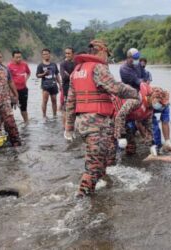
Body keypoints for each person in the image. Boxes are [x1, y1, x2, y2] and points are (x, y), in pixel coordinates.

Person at [65, 39, 140, 197]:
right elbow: (115, 87)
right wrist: (135, 93)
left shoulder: (76, 71)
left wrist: (69, 128)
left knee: (102, 161)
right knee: (94, 167)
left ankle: (101, 195)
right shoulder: (98, 67)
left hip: (85, 125)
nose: (107, 58)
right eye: (107, 54)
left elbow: (70, 102)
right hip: (97, 125)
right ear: (100, 51)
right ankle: (81, 200)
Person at [113, 83, 170, 156]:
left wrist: (151, 144)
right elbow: (120, 115)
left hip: (125, 121)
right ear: (154, 98)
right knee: (114, 146)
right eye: (160, 103)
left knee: (131, 147)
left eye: (163, 105)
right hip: (113, 117)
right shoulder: (137, 100)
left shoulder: (149, 110)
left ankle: (127, 164)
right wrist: (121, 135)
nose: (161, 106)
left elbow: (148, 127)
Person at [0, 47, 21, 146]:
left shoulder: (0, 69)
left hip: (2, 103)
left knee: (10, 125)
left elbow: (0, 87)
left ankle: (17, 148)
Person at [36, 48, 61, 119]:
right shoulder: (40, 65)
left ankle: (55, 115)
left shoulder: (54, 64)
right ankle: (44, 116)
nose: (45, 55)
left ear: (49, 55)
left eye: (47, 54)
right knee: (45, 101)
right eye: (44, 54)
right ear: (42, 56)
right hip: (45, 85)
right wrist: (44, 74)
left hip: (54, 85)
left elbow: (57, 75)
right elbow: (37, 75)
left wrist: (60, 84)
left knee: (54, 100)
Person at [8, 50, 31, 123]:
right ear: (13, 58)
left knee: (23, 108)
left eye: (20, 57)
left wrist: (26, 80)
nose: (19, 59)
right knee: (10, 108)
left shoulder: (24, 64)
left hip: (23, 89)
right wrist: (10, 91)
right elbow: (7, 80)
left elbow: (28, 73)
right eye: (17, 57)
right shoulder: (9, 66)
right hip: (13, 91)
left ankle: (26, 123)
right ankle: (10, 124)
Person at [60, 47, 76, 128]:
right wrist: (72, 75)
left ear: (73, 54)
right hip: (66, 88)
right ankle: (64, 127)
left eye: (69, 53)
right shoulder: (63, 64)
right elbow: (63, 76)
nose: (67, 55)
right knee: (65, 108)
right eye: (66, 53)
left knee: (76, 108)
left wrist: (69, 74)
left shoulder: (76, 63)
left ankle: (73, 126)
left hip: (76, 88)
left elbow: (76, 75)